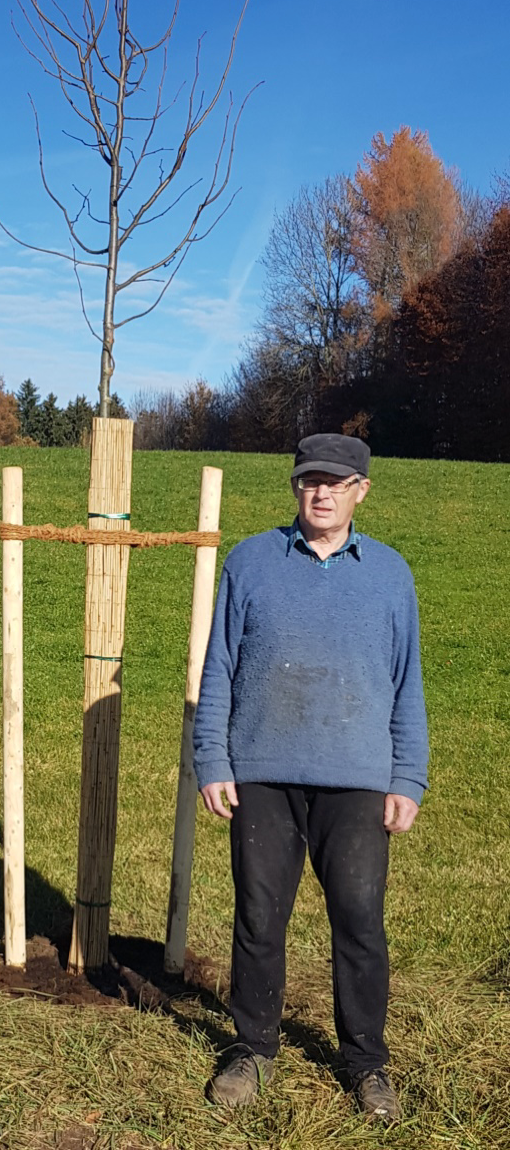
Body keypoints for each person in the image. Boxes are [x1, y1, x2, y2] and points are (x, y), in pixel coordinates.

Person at [193, 433, 428, 1123]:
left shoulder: (388, 574)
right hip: (262, 773)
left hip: (356, 778)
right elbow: (219, 669)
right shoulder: (251, 561)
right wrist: (212, 757)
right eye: (308, 481)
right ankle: (251, 1047)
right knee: (259, 918)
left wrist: (406, 777)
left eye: (334, 482)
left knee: (358, 920)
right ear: (295, 487)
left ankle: (364, 1062)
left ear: (360, 490)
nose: (319, 493)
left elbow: (404, 680)